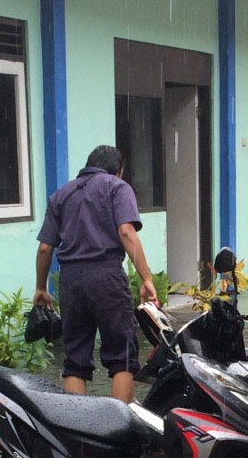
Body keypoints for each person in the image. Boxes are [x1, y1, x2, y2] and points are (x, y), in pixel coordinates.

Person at [33, 145, 157, 403]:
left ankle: (78, 429)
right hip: (106, 277)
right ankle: (120, 427)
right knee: (121, 353)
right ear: (118, 170)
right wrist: (146, 279)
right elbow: (126, 231)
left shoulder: (61, 194)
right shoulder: (117, 187)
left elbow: (46, 248)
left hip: (70, 282)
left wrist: (41, 288)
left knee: (75, 358)